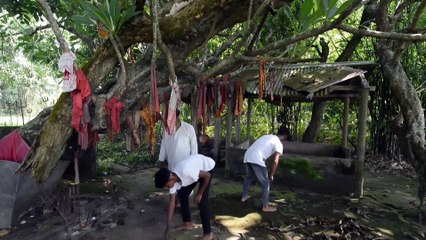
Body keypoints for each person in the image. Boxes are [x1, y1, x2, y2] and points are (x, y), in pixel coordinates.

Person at [155, 154, 215, 240]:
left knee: (202, 202)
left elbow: (207, 176)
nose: (167, 187)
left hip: (207, 168)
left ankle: (208, 234)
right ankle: (188, 223)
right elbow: (172, 203)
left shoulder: (186, 171)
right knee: (182, 194)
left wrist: (199, 193)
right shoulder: (173, 180)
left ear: (171, 178)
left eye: (166, 185)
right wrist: (168, 227)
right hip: (195, 172)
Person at [241, 125, 290, 212]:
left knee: (249, 177)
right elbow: (275, 161)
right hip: (256, 158)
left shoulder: (267, 136)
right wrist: (271, 175)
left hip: (248, 155)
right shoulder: (278, 143)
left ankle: (244, 196)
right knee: (266, 183)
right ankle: (265, 206)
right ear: (285, 136)